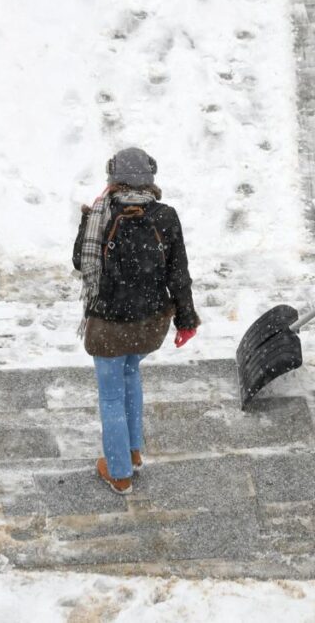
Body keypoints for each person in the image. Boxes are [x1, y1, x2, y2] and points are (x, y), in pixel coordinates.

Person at [73, 147, 200, 494]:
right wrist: (186, 319)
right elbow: (179, 274)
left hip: (108, 326)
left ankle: (119, 473)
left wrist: (88, 218)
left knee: (111, 396)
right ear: (150, 179)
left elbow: (80, 262)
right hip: (149, 324)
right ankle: (132, 452)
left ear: (113, 178)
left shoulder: (101, 215)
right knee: (131, 374)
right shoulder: (166, 216)